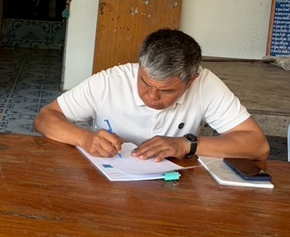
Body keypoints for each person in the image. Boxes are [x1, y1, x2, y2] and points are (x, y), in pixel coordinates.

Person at [34, 28, 269, 162]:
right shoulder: (110, 81)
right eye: (145, 83)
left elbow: (258, 146)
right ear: (139, 67)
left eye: (166, 90)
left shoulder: (206, 84)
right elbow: (45, 118)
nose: (151, 96)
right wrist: (84, 138)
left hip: (172, 188)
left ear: (191, 81)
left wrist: (186, 145)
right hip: (107, 179)